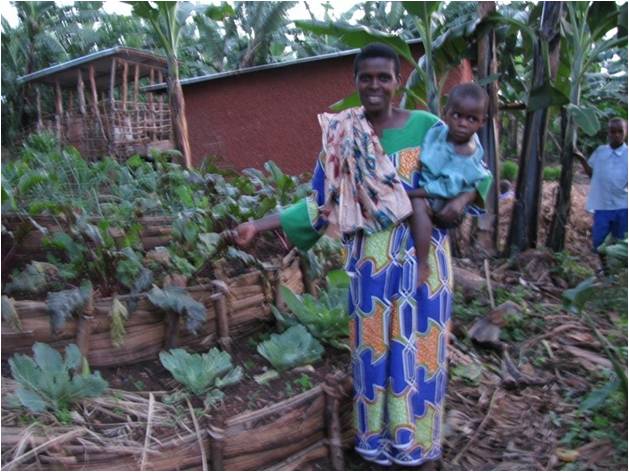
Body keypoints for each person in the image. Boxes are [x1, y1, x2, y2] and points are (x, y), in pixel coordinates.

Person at [230, 43, 485, 467]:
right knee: (373, 354)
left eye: (383, 77)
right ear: (355, 82)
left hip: (425, 265)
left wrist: (458, 205)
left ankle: (417, 446)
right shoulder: (342, 136)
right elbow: (319, 203)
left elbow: (476, 169)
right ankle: (375, 446)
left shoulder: (427, 126)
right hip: (370, 265)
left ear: (397, 81)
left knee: (421, 351)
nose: (374, 85)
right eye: (365, 77)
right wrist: (258, 225)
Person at [408, 83, 492, 285]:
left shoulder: (466, 155)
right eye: (457, 116)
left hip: (445, 202)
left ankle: (422, 263)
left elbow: (447, 188)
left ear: (482, 122)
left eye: (472, 119)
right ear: (446, 113)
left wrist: (412, 193)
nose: (463, 123)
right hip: (438, 186)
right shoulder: (438, 132)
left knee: (417, 206)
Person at [576, 117, 628, 271]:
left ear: (626, 133)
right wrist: (581, 159)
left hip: (623, 206)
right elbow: (592, 173)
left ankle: (619, 274)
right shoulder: (600, 152)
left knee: (621, 242)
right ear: (608, 133)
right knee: (599, 242)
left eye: (620, 131)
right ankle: (605, 270)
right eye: (613, 131)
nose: (617, 135)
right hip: (602, 206)